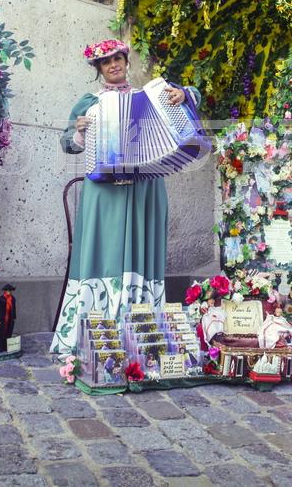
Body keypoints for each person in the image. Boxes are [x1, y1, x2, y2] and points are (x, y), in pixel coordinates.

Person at [50, 38, 201, 357]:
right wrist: (79, 130)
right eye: (106, 62)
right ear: (99, 69)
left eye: (118, 58)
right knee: (104, 247)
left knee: (139, 246)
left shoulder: (152, 96)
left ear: (126, 62)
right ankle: (97, 328)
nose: (114, 64)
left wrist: (183, 94)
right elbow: (68, 144)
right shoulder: (88, 102)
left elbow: (193, 98)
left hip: (145, 185)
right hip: (103, 190)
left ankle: (141, 330)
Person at [0, 283, 17, 352]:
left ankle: (6, 347)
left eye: (10, 291)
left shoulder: (12, 299)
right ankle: (0, 348)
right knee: (1, 333)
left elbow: (14, 308)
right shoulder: (1, 299)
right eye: (7, 291)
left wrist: (14, 317)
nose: (8, 292)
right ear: (5, 291)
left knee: (8, 332)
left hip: (9, 318)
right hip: (2, 318)